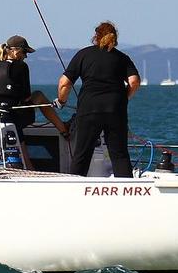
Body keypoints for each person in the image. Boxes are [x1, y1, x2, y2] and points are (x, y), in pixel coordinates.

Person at [56, 22, 140, 177]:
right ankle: (127, 191)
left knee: (82, 154)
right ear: (115, 37)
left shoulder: (83, 54)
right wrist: (124, 98)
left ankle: (75, 189)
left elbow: (64, 83)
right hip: (116, 109)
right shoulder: (122, 58)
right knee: (119, 154)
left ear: (95, 36)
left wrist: (61, 101)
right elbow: (134, 81)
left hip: (89, 109)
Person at [0, 35, 69, 139]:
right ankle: (64, 130)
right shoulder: (20, 66)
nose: (26, 56)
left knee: (20, 140)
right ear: (15, 51)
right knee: (38, 95)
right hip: (14, 117)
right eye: (24, 52)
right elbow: (26, 97)